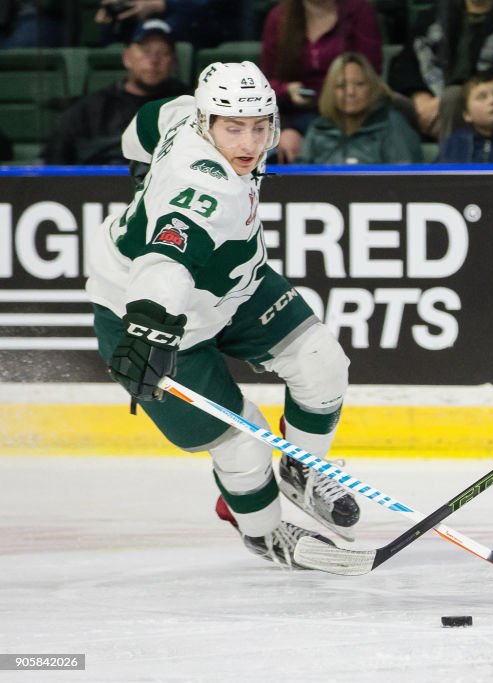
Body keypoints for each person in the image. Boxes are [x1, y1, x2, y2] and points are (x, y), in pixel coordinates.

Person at [85, 61, 360, 568]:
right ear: (208, 125)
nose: (249, 143)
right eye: (234, 129)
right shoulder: (208, 188)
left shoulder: (185, 113)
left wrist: (142, 170)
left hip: (231, 286)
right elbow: (164, 262)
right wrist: (148, 325)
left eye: (259, 127)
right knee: (244, 447)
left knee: (322, 363)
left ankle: (302, 470)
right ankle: (264, 534)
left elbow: (145, 123)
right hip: (156, 312)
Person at [387, 0, 493, 141]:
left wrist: (450, 99)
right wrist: (419, 96)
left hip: (476, 102)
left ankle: (452, 164)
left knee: (453, 97)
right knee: (384, 98)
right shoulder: (431, 17)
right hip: (428, 102)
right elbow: (404, 65)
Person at [43, 19, 189, 166]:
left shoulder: (189, 107)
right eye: (146, 51)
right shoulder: (90, 109)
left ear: (173, 61)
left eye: (163, 52)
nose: (154, 60)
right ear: (127, 57)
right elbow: (54, 163)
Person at [260, 0, 382, 162]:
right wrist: (287, 93)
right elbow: (265, 84)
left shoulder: (358, 10)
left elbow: (370, 73)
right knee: (272, 149)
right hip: (295, 113)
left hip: (348, 114)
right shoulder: (279, 17)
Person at [300, 52, 422, 165]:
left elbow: (406, 180)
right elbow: (300, 180)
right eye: (341, 86)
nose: (351, 92)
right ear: (331, 92)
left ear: (372, 88)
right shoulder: (318, 130)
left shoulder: (393, 125)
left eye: (360, 84)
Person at [94, 0, 244, 49]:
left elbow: (210, 5)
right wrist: (113, 12)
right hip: (139, 38)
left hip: (204, 35)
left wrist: (161, 5)